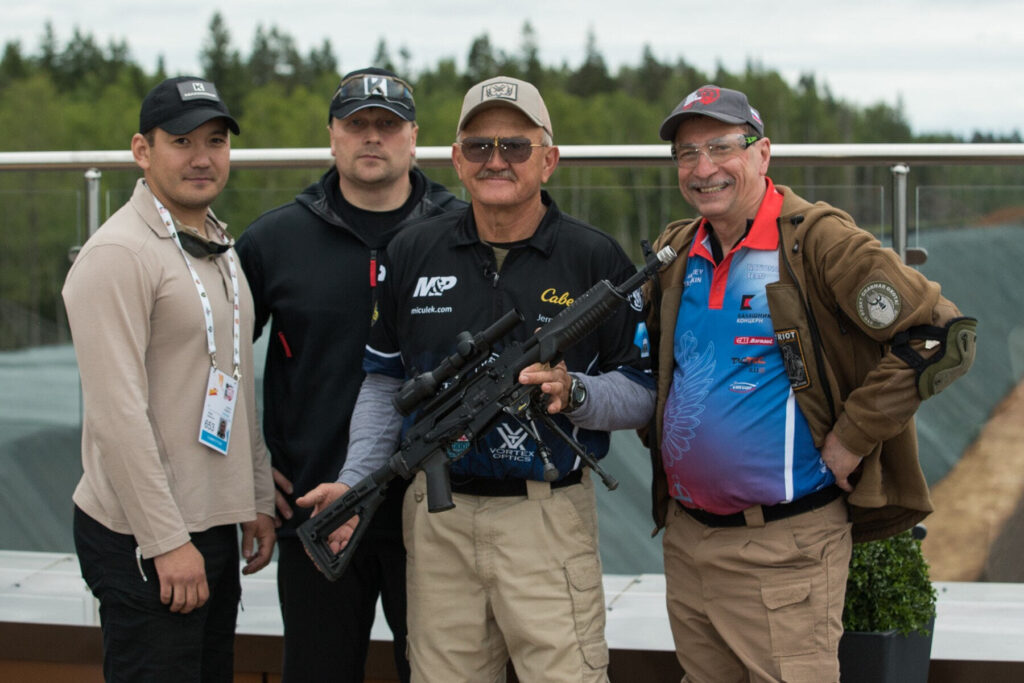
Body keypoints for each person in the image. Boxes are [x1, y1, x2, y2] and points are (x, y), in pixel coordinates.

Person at [299, 76, 654, 682]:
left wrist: (578, 394)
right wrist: (356, 482)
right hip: (438, 523)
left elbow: (643, 393)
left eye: (516, 146)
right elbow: (385, 382)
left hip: (546, 521)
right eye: (480, 146)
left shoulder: (595, 260)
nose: (497, 160)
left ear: (549, 159)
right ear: (457, 160)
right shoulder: (411, 251)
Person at [644, 84, 976, 682]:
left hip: (784, 550)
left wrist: (852, 435)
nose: (703, 168)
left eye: (721, 146)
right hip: (689, 545)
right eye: (687, 154)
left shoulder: (815, 241)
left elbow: (940, 335)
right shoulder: (676, 250)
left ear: (762, 153)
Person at [235, 67, 466, 682]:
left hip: (436, 510)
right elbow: (217, 364)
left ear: (414, 137)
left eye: (387, 126)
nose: (372, 138)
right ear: (333, 137)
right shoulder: (274, 240)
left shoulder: (461, 234)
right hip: (314, 508)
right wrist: (250, 469)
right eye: (356, 124)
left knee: (438, 673)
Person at [62, 76, 276, 682]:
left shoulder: (215, 245)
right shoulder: (119, 256)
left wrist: (255, 497)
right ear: (142, 150)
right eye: (181, 141)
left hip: (207, 523)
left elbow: (235, 384)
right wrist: (164, 541)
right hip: (143, 534)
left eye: (216, 140)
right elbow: (116, 415)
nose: (203, 157)